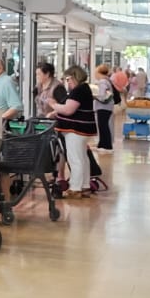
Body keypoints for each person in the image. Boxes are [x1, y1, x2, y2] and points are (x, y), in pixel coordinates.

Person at [51, 66, 98, 198]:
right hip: (83, 129)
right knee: (83, 158)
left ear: (74, 76)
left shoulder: (78, 91)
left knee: (75, 159)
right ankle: (85, 186)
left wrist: (54, 105)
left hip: (75, 129)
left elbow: (68, 110)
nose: (68, 82)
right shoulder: (85, 89)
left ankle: (75, 188)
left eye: (68, 79)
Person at [90, 63, 118, 153]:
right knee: (103, 126)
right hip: (107, 107)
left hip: (103, 107)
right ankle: (102, 144)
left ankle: (107, 146)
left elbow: (101, 95)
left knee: (103, 126)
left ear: (99, 72)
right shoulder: (107, 80)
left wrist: (93, 95)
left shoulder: (102, 82)